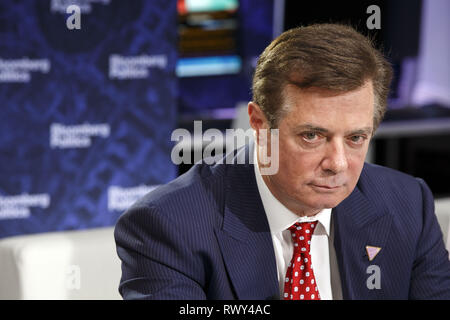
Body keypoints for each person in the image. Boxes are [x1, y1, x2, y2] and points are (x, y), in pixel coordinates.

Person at [114, 23, 450, 300]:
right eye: (312, 136)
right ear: (259, 125)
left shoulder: (407, 204)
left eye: (355, 138)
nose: (337, 163)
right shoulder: (169, 225)